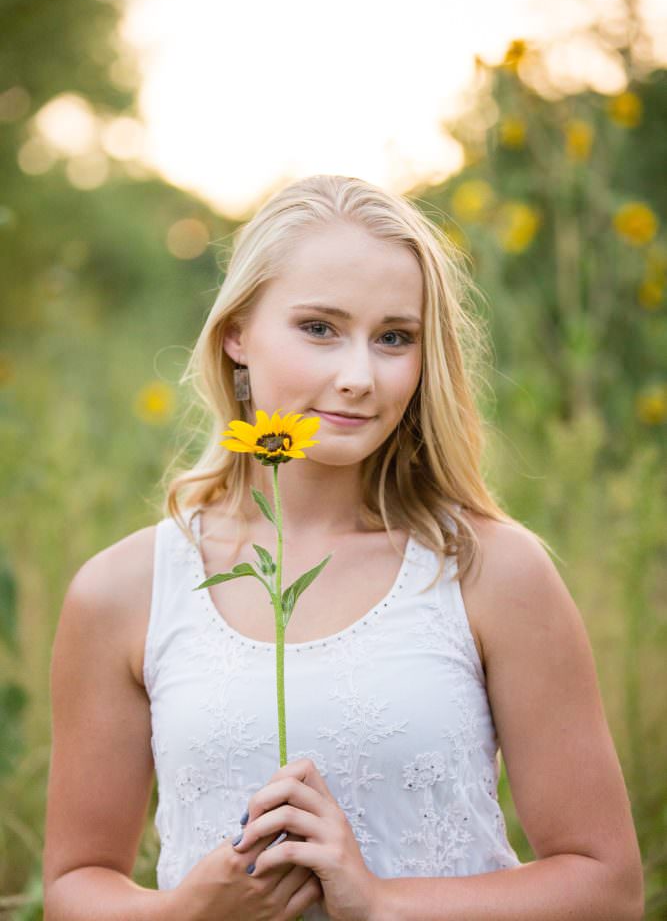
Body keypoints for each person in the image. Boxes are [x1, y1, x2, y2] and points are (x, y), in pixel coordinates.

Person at [43, 174, 644, 921]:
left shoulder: (488, 571)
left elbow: (607, 885)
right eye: (319, 328)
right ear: (236, 333)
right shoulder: (125, 589)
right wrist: (185, 912)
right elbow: (74, 886)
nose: (359, 377)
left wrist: (381, 904)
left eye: (394, 338)